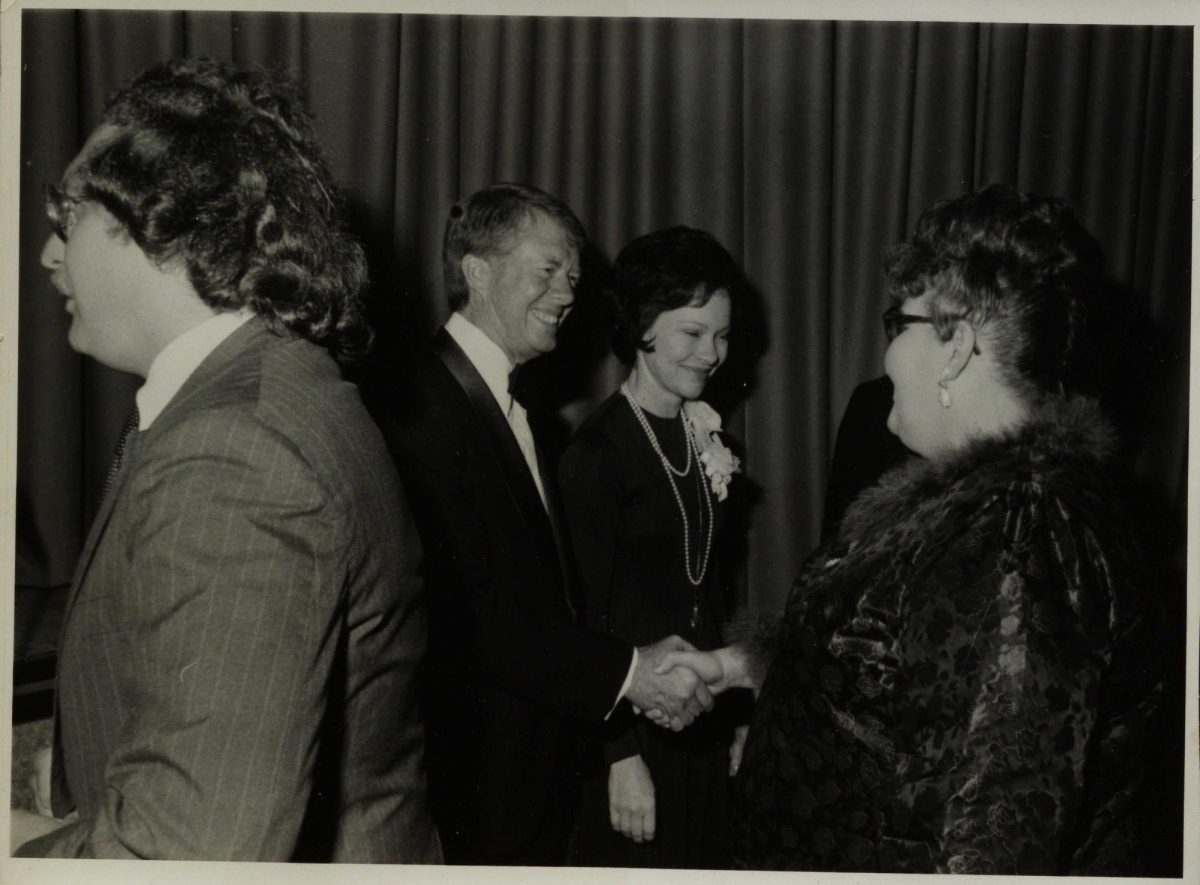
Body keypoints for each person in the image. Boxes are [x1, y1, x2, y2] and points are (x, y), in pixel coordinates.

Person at [661, 185, 1164, 874]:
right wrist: (743, 665)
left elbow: (993, 839)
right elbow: (905, 669)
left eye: (900, 323)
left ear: (955, 344)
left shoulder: (1020, 534)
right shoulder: (984, 508)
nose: (889, 354)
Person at [12, 58, 440, 862]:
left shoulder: (234, 451)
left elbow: (189, 849)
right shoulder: (266, 386)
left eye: (67, 212)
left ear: (163, 222)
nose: (48, 253)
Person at [366, 185, 716, 865]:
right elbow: (476, 617)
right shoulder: (422, 410)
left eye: (575, 277)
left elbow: (550, 604)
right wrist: (633, 674)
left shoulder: (520, 414)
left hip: (529, 782)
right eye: (548, 270)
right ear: (477, 270)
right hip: (468, 791)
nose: (566, 293)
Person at [557, 227, 745, 868]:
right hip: (634, 729)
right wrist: (621, 757)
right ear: (641, 326)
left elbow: (710, 588)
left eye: (721, 335)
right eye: (693, 333)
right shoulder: (597, 454)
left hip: (702, 717)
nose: (711, 354)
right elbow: (584, 620)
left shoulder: (707, 436)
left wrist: (737, 713)